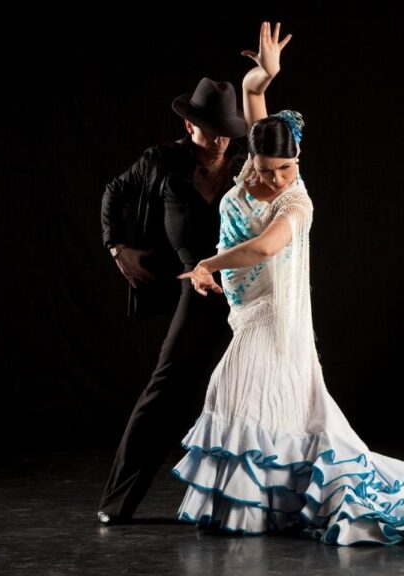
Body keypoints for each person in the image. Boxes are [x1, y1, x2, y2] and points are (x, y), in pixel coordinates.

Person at [172, 22, 404, 545]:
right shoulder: (249, 174)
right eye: (264, 169)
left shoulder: (297, 201)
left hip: (272, 322)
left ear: (297, 163)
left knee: (236, 395)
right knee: (263, 410)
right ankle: (265, 508)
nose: (273, 179)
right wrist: (264, 73)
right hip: (245, 314)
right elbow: (252, 93)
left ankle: (256, 510)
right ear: (251, 158)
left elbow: (263, 249)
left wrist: (207, 266)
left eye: (285, 169)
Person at [97, 77, 248, 524]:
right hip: (196, 289)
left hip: (247, 287)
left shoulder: (244, 163)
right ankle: (117, 502)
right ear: (189, 125)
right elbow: (113, 194)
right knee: (166, 391)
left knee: (249, 392)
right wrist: (116, 247)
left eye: (227, 129)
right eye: (211, 129)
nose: (221, 139)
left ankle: (254, 507)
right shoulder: (162, 162)